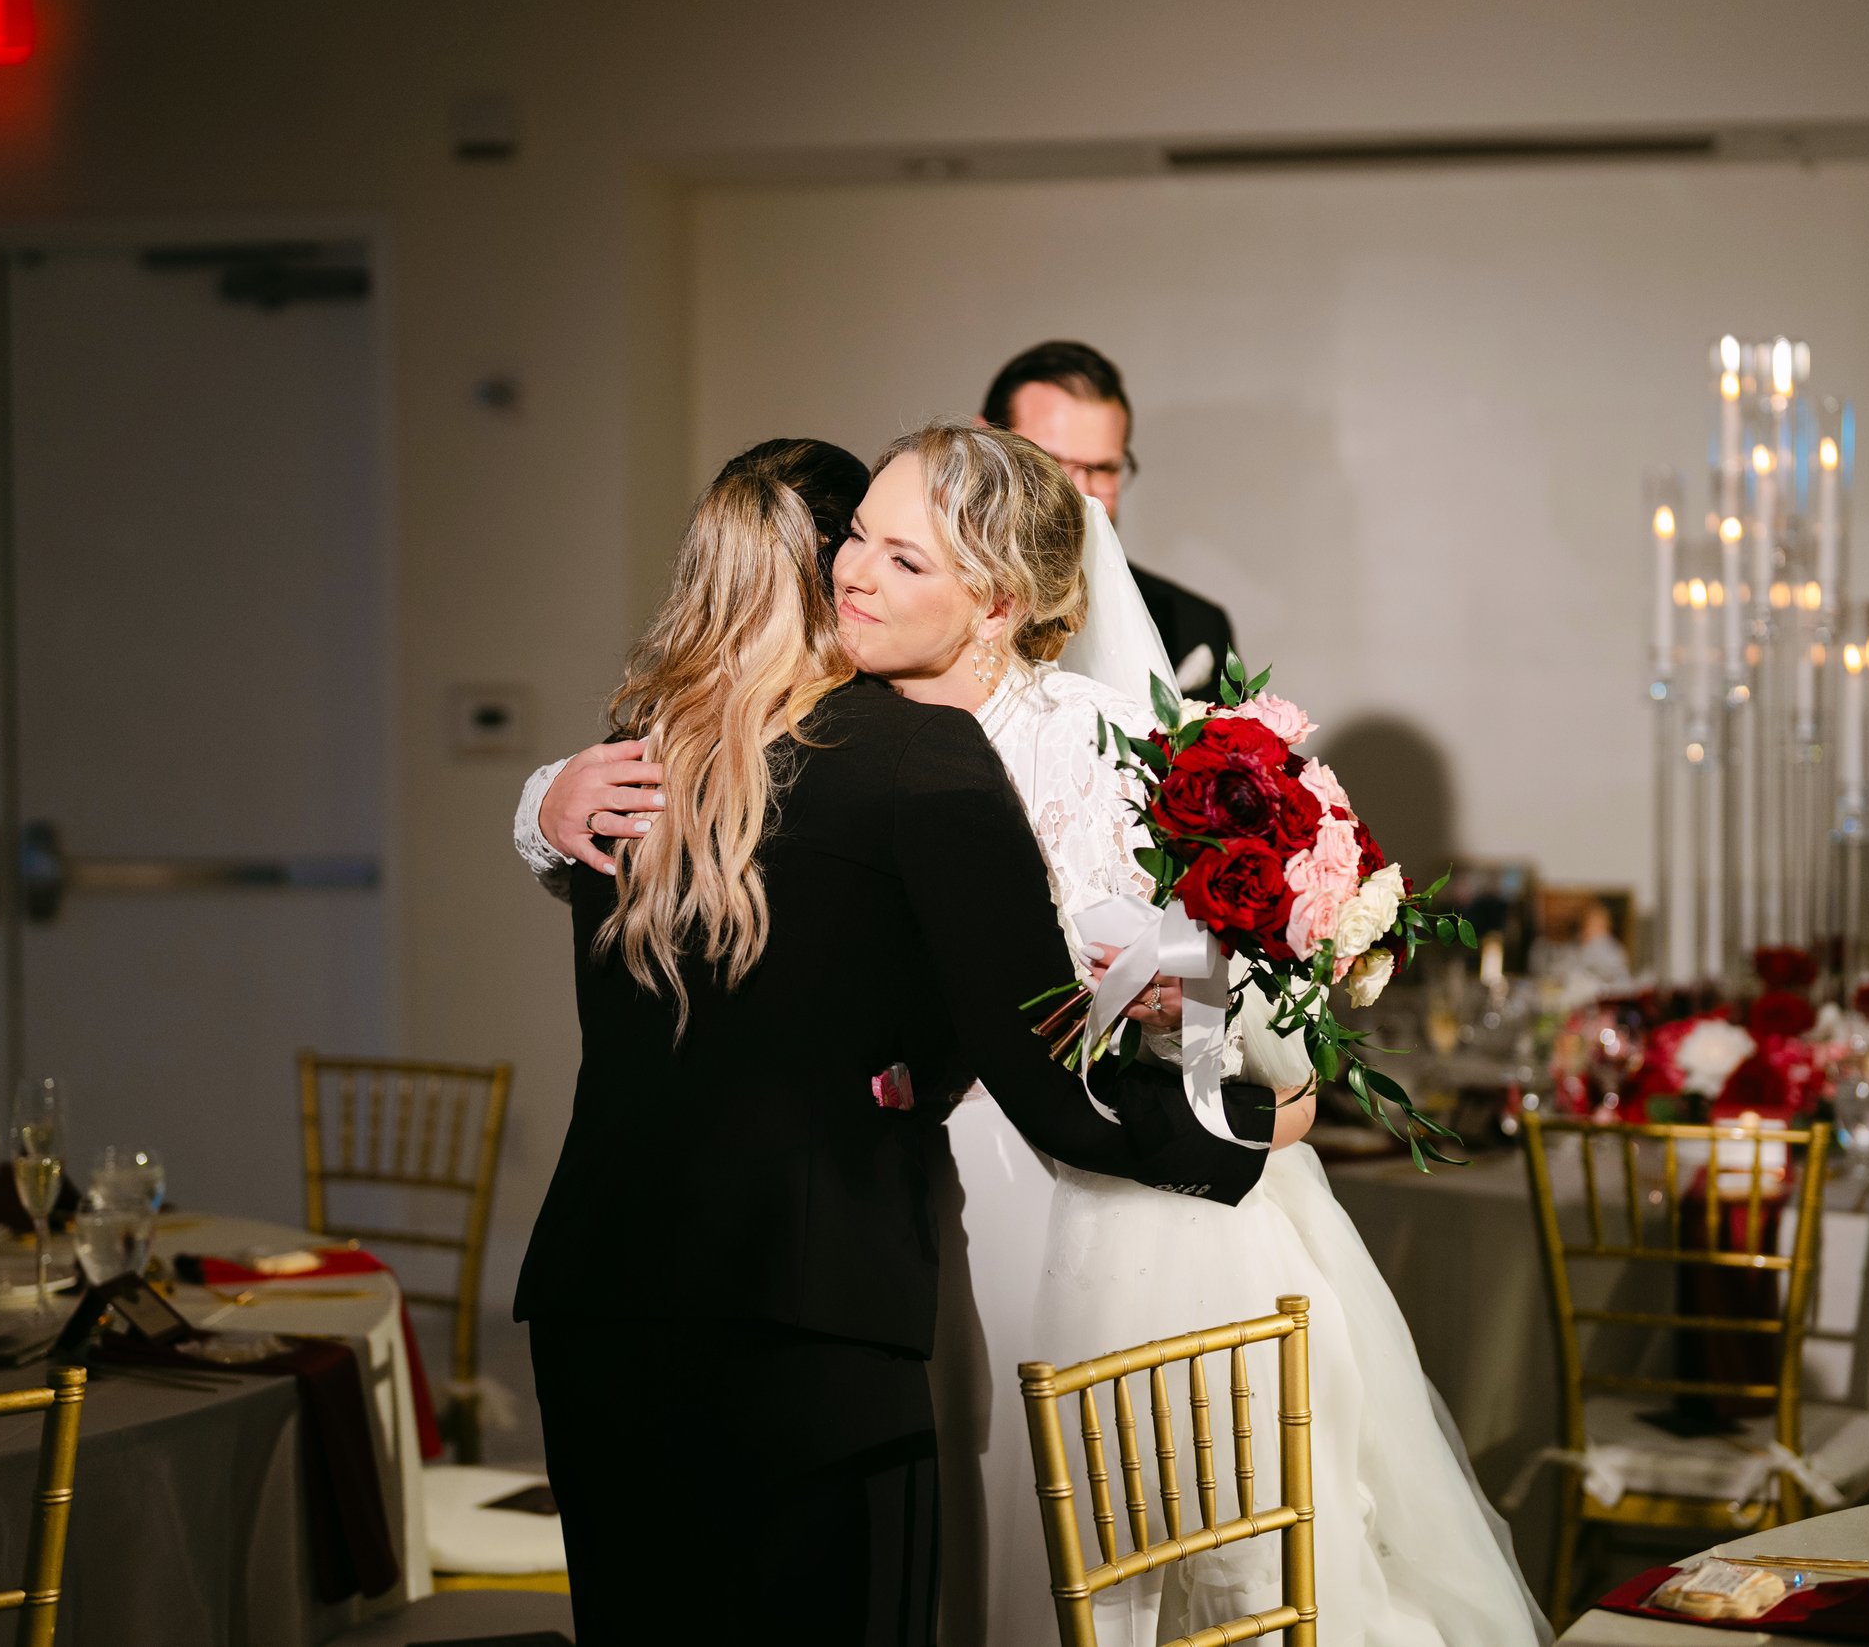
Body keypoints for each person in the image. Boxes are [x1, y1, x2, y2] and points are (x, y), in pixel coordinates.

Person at [519, 425, 1544, 1647]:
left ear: (991, 600)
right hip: (837, 1271)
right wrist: (1257, 1127)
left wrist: (1214, 1029)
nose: (856, 575)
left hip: (698, 1265)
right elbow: (1024, 1065)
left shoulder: (692, 744)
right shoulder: (854, 750)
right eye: (854, 544)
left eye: (900, 557)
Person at [979, 340, 1237, 701]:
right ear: (983, 446)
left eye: (1104, 469)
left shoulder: (1193, 623)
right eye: (1049, 462)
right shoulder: (910, 593)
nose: (1080, 494)